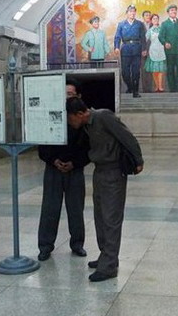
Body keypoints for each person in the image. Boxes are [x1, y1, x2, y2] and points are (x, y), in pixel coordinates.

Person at [66, 97, 143, 282]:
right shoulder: (86, 126)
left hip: (113, 173)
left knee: (111, 219)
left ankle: (109, 267)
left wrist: (138, 160)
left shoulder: (103, 117)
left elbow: (127, 137)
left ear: (79, 114)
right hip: (99, 171)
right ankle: (106, 256)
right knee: (100, 217)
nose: (69, 123)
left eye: (70, 118)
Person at [37, 79, 90, 261]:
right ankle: (45, 246)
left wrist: (74, 163)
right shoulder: (51, 116)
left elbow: (89, 150)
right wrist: (54, 160)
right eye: (64, 94)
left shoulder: (83, 120)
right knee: (50, 208)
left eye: (70, 94)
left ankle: (77, 244)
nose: (67, 98)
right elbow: (42, 147)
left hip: (75, 171)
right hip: (53, 170)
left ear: (78, 96)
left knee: (76, 209)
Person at [114, 5, 146, 97]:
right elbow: (117, 37)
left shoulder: (139, 24)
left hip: (136, 49)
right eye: (130, 11)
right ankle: (130, 86)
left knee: (136, 72)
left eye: (134, 11)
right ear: (127, 13)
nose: (132, 13)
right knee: (125, 73)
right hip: (125, 50)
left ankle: (135, 92)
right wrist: (116, 47)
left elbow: (143, 38)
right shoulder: (121, 24)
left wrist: (144, 49)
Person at [158, 4, 178, 92]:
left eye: (175, 10)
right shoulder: (165, 24)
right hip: (169, 51)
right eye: (171, 10)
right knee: (170, 70)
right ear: (168, 12)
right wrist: (165, 43)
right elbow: (160, 36)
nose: (174, 11)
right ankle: (172, 89)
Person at [144, 14, 167, 92]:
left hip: (161, 50)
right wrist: (143, 49)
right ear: (151, 21)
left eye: (157, 18)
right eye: (154, 19)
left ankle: (160, 86)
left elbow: (165, 38)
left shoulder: (162, 29)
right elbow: (145, 40)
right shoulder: (150, 30)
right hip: (153, 50)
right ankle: (157, 86)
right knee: (155, 70)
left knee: (160, 70)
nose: (155, 20)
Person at [140, 10, 154, 93]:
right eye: (146, 15)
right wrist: (143, 49)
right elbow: (139, 39)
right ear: (143, 17)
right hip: (143, 50)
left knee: (151, 69)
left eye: (149, 15)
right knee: (144, 69)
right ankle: (145, 89)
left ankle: (150, 89)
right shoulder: (140, 26)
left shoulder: (154, 25)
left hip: (152, 50)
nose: (148, 16)